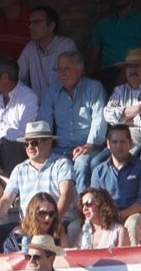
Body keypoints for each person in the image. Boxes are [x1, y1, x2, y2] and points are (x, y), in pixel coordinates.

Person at [38, 50, 108, 191]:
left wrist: (89, 145)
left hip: (89, 147)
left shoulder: (94, 88)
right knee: (45, 165)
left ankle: (81, 206)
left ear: (79, 70)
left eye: (66, 69)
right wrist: (44, 146)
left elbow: (99, 119)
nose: (61, 73)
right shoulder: (52, 92)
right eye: (59, 69)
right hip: (60, 148)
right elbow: (43, 123)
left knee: (81, 164)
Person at [90, 123, 141, 245]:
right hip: (107, 216)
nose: (119, 146)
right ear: (108, 144)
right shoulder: (98, 171)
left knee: (133, 222)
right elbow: (95, 201)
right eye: (114, 142)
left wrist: (121, 215)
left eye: (123, 142)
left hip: (133, 214)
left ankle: (136, 262)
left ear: (131, 144)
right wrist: (109, 215)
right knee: (78, 227)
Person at [18, 6, 78, 101]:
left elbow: (72, 81)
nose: (30, 27)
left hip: (64, 105)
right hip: (39, 108)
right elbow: (18, 77)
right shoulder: (30, 47)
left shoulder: (66, 45)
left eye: (36, 22)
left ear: (51, 26)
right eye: (30, 23)